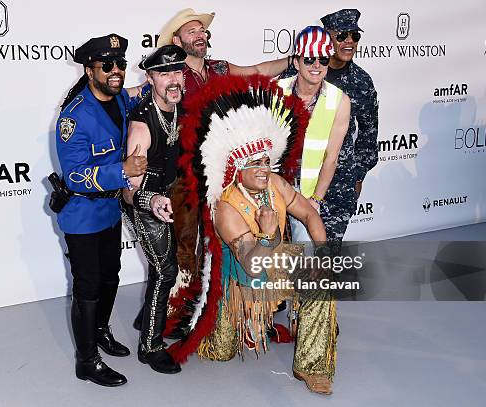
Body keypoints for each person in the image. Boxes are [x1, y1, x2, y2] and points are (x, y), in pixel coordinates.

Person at [168, 74, 338, 395]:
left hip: (275, 264)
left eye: (265, 161)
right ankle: (235, 322)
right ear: (236, 170)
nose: (263, 168)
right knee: (220, 352)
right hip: (239, 285)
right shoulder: (227, 208)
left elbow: (311, 214)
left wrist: (325, 253)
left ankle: (313, 366)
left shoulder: (277, 184)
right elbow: (252, 266)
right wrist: (270, 235)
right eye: (253, 163)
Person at [155, 7, 294, 332]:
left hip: (226, 174)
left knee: (233, 235)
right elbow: (141, 96)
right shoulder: (170, 73)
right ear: (177, 40)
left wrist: (296, 60)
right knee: (185, 245)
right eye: (192, 31)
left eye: (202, 30)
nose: (200, 35)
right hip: (185, 175)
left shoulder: (220, 67)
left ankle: (236, 305)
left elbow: (258, 69)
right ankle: (178, 314)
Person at [55, 33, 147, 387]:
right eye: (106, 65)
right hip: (82, 216)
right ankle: (87, 360)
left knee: (111, 277)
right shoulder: (74, 117)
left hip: (109, 211)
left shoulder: (120, 98)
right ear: (89, 70)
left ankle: (100, 331)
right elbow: (76, 176)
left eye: (120, 64)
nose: (116, 71)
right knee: (88, 286)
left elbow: (141, 92)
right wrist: (124, 171)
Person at [122, 45, 187, 374]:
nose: (174, 80)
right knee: (165, 271)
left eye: (178, 71)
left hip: (168, 194)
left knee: (166, 265)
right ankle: (149, 346)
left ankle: (146, 316)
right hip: (146, 199)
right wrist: (153, 202)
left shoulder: (178, 103)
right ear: (150, 79)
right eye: (164, 74)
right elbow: (129, 190)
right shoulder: (141, 126)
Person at [275, 26, 350, 251]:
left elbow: (331, 158)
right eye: (309, 59)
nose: (317, 65)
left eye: (323, 59)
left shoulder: (339, 100)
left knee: (305, 260)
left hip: (306, 196)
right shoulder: (275, 91)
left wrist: (315, 201)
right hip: (274, 189)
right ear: (296, 62)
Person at [320, 8, 379, 245]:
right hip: (303, 178)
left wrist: (358, 174)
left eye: (355, 36)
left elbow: (369, 132)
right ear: (327, 38)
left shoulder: (362, 82)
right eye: (342, 35)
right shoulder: (309, 71)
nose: (349, 42)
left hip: (341, 181)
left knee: (329, 252)